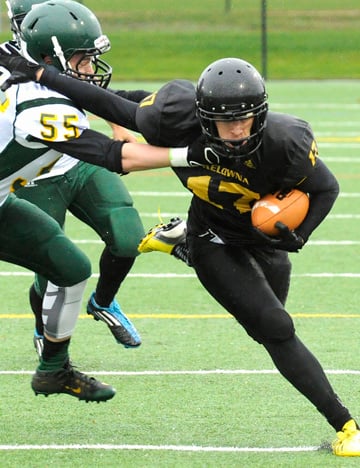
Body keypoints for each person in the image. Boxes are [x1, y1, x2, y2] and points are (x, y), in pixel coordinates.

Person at [4, 53, 360, 456]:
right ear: (204, 118)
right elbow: (112, 106)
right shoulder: (174, 121)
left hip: (262, 239)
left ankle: (178, 244)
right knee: (275, 327)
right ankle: (346, 425)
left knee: (264, 326)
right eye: (226, 122)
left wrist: (300, 234)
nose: (237, 131)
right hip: (215, 239)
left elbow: (326, 188)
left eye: (245, 119)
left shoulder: (287, 140)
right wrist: (40, 74)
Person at [0, 0, 209, 403]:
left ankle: (53, 370)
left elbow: (111, 104)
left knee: (71, 268)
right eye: (83, 59)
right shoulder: (40, 107)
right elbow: (116, 156)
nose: (91, 69)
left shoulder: (25, 72)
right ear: (48, 57)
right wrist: (190, 154)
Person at [4, 0, 146, 356]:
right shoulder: (16, 72)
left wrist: (118, 122)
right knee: (54, 267)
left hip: (77, 161)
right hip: (33, 176)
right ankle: (45, 329)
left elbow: (89, 92)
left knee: (128, 237)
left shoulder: (53, 62)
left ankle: (104, 302)